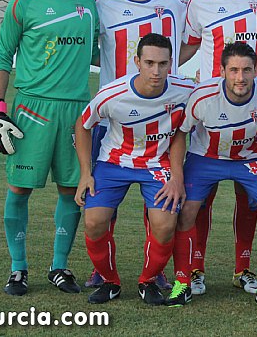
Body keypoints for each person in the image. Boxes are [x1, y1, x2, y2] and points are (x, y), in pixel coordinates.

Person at [0, 0, 99, 296]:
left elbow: (101, 55)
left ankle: (59, 266)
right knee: (19, 189)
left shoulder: (90, 5)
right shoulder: (24, 4)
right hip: (31, 109)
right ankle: (18, 268)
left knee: (71, 191)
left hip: (75, 112)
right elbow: (3, 56)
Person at [178, 0, 257, 296]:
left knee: (249, 196)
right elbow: (186, 50)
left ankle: (243, 268)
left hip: (255, 115)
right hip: (211, 115)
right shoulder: (200, 3)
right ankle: (197, 268)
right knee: (200, 197)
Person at [86, 0, 186, 290]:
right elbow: (89, 47)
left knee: (159, 202)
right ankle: (102, 270)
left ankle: (154, 271)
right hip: (112, 117)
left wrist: (160, 81)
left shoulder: (173, 6)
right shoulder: (103, 5)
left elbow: (189, 44)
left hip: (160, 117)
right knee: (101, 205)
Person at [74, 33, 194, 305]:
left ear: (171, 63)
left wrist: (177, 176)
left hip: (156, 164)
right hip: (114, 162)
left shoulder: (185, 91)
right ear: (137, 62)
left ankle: (148, 280)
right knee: (93, 222)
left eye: (163, 64)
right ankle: (109, 281)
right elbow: (82, 125)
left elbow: (180, 132)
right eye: (149, 62)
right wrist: (85, 173)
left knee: (164, 226)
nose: (156, 70)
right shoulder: (113, 94)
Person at [168, 42, 257, 311]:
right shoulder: (202, 96)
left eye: (246, 70)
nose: (240, 77)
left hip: (251, 158)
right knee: (186, 210)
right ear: (222, 70)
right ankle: (184, 280)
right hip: (206, 158)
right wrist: (177, 177)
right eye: (233, 70)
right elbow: (180, 133)